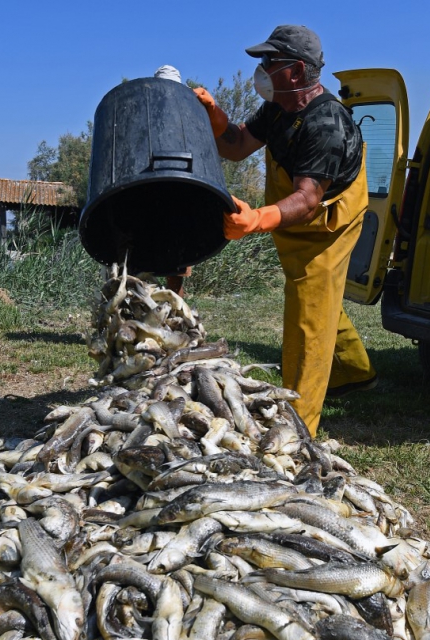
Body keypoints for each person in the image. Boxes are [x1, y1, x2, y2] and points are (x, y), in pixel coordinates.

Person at [193, 25, 377, 437]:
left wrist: (255, 219)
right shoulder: (278, 108)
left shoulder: (326, 123)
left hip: (326, 225)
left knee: (309, 317)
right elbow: (238, 145)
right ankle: (356, 371)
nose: (260, 69)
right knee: (318, 296)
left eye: (268, 62)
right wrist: (214, 117)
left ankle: (297, 427)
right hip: (294, 220)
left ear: (294, 71)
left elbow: (308, 198)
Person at [154, 65, 193, 298]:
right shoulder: (148, 113)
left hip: (180, 186)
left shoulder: (187, 114)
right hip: (153, 187)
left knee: (178, 253)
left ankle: (175, 304)